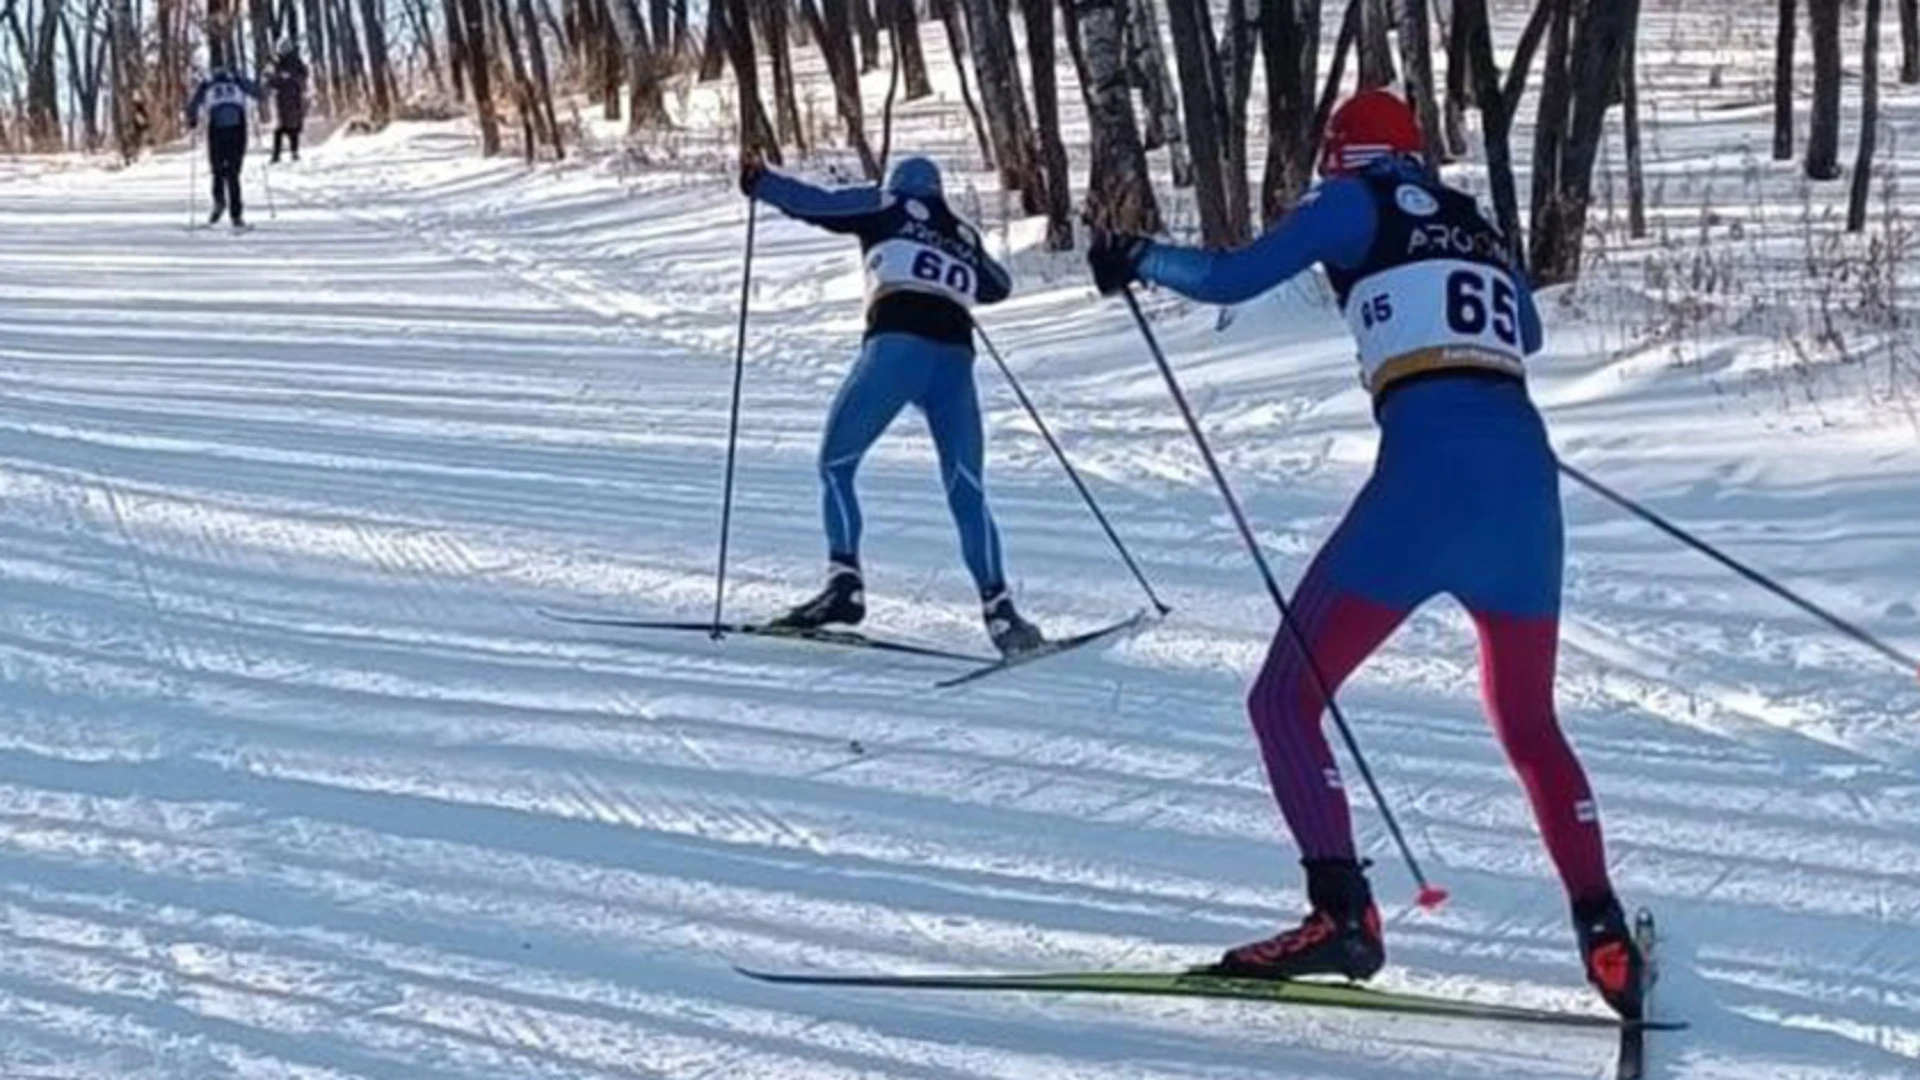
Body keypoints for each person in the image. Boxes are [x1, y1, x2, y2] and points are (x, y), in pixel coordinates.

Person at [1085, 89, 1645, 1019]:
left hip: (1426, 480)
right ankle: (1604, 933)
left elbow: (1230, 279)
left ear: (1341, 153)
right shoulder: (1468, 218)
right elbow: (1528, 333)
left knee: (1282, 699)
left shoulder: (1354, 199)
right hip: (1524, 484)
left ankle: (1341, 916)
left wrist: (1134, 253)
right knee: (1528, 722)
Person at [740, 153, 1045, 657]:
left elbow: (818, 204)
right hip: (955, 361)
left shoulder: (885, 204)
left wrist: (762, 183)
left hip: (896, 347)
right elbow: (999, 287)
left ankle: (844, 584)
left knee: (835, 465)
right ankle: (1002, 612)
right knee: (967, 489)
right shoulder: (962, 231)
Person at [184, 65, 263, 228]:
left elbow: (193, 104)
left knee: (218, 170)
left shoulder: (208, 82)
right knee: (233, 173)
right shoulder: (236, 79)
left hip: (218, 129)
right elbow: (258, 93)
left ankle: (220, 202)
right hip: (237, 128)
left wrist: (192, 119)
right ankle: (236, 214)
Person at [267, 42, 309, 164]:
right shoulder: (274, 63)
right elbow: (267, 79)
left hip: (293, 97)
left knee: (293, 127)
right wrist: (278, 78)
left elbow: (304, 75)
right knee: (278, 128)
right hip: (278, 99)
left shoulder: (296, 61)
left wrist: (292, 77)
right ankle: (276, 154)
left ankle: (294, 152)